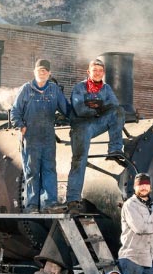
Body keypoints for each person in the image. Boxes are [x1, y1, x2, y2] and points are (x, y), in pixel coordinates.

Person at [10, 58, 71, 213]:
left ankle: (49, 203)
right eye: (39, 70)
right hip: (30, 136)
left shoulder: (54, 90)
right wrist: (20, 126)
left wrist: (80, 115)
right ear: (34, 72)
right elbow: (15, 111)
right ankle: (32, 206)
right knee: (32, 171)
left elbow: (66, 109)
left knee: (50, 169)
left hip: (48, 136)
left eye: (44, 71)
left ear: (49, 73)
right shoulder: (26, 89)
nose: (42, 73)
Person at [67, 58, 126, 210]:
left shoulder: (106, 89)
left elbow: (114, 106)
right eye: (95, 70)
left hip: (97, 123)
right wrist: (99, 108)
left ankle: (115, 148)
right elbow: (80, 109)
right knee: (79, 160)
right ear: (89, 72)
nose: (98, 73)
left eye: (100, 71)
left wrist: (95, 108)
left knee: (118, 112)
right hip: (81, 126)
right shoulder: (79, 88)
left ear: (104, 73)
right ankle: (73, 199)